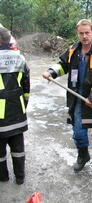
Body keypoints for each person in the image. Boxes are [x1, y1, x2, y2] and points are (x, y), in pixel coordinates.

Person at [42, 19, 92, 175]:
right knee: (78, 131)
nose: (84, 36)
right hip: (77, 99)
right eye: (81, 33)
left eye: (87, 32)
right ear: (78, 33)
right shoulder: (73, 50)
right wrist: (51, 72)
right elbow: (62, 65)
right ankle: (83, 156)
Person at [0, 27, 30, 185]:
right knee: (18, 149)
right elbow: (26, 87)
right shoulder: (20, 58)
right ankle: (20, 177)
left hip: (0, 118)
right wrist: (23, 105)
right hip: (18, 114)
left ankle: (3, 176)